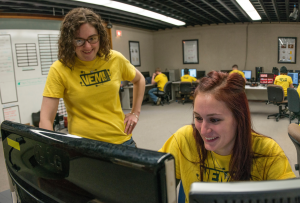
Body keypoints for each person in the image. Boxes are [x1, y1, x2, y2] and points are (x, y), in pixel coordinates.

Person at [159, 71, 295, 203]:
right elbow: (150, 181)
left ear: (239, 118)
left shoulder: (268, 152)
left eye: (214, 120)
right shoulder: (184, 139)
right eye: (198, 118)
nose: (204, 130)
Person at [39, 8, 145, 147]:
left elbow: (139, 80)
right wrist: (52, 148)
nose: (87, 46)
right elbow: (45, 119)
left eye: (92, 39)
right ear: (69, 41)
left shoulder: (114, 59)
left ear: (100, 36)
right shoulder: (60, 69)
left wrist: (135, 113)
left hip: (121, 140)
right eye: (79, 41)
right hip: (83, 146)